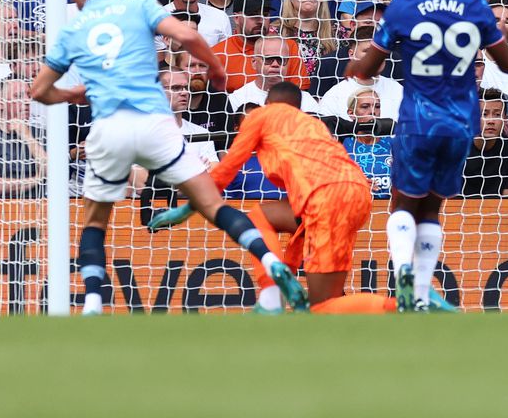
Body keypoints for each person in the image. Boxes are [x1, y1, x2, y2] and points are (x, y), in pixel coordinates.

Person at [30, 0, 306, 315]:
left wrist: (76, 93)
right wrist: (216, 68)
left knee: (96, 222)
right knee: (213, 206)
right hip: (155, 125)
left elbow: (39, 91)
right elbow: (189, 38)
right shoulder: (140, 5)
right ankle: (269, 260)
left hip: (109, 128)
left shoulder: (72, 31)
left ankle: (93, 304)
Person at [344, 0, 508, 311]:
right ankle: (421, 295)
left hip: (418, 119)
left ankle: (403, 276)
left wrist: (357, 65)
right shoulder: (475, 5)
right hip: (459, 123)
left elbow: (370, 68)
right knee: (434, 208)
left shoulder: (404, 5)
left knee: (403, 204)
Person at [152, 82, 403, 313]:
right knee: (323, 298)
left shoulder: (262, 117)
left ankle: (404, 305)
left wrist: (186, 209)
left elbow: (226, 168)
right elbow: (302, 225)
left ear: (268, 105)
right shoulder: (312, 126)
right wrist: (291, 272)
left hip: (326, 197)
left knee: (259, 220)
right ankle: (280, 292)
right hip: (356, 195)